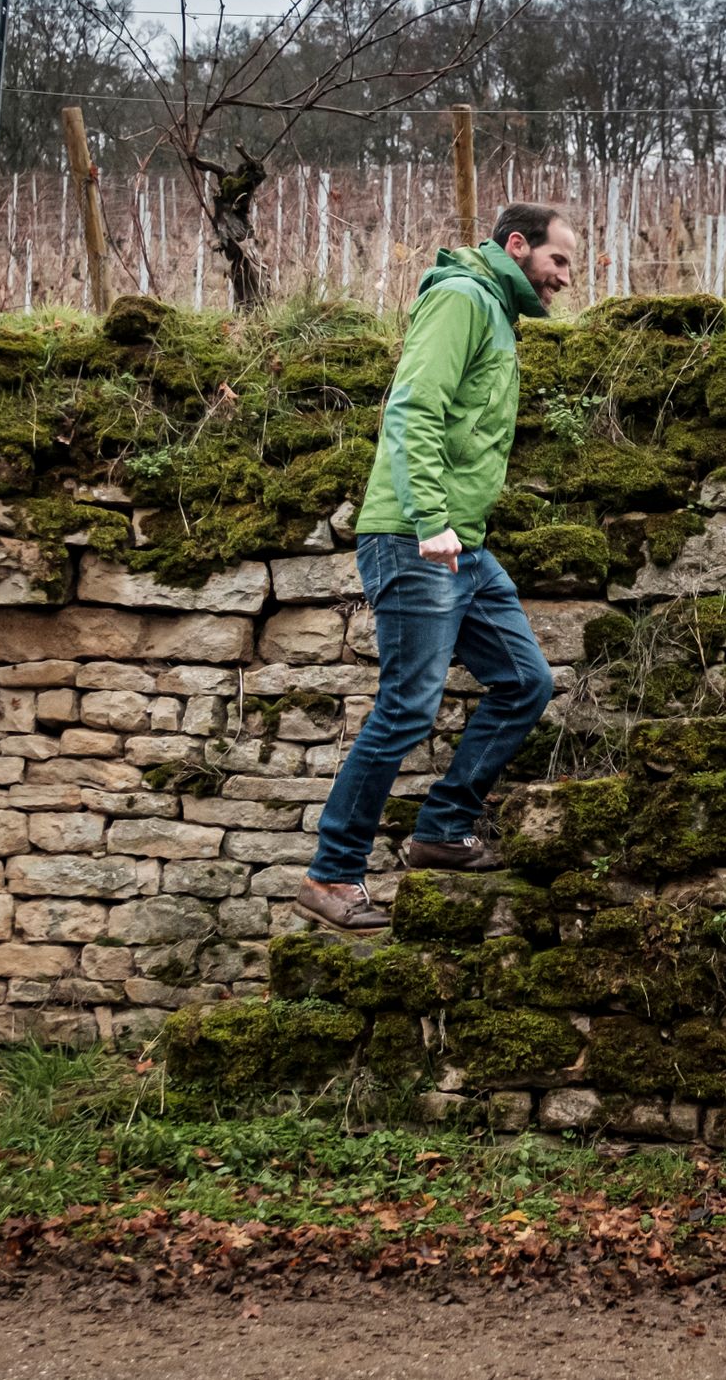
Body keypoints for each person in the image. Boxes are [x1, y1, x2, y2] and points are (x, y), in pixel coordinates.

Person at [297, 202, 577, 933]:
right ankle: (331, 876)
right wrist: (432, 521)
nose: (565, 279)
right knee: (408, 706)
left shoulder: (494, 311)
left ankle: (442, 829)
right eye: (559, 261)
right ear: (518, 247)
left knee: (525, 682)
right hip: (419, 539)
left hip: (464, 546)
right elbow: (413, 408)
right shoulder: (459, 300)